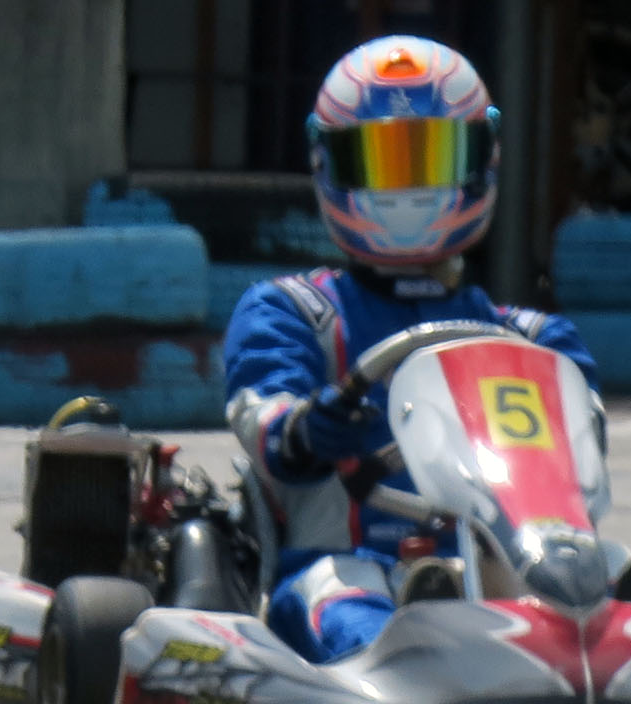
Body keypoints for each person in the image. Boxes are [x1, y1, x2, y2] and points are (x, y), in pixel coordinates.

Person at [218, 37, 594, 664]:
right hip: (348, 568)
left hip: (507, 572)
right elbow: (265, 419)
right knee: (348, 610)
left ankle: (579, 639)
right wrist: (310, 428)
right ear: (332, 166)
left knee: (608, 582)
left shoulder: (534, 340)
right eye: (383, 164)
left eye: (431, 161)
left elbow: (581, 460)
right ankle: (414, 651)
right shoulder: (292, 313)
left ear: (479, 160)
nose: (408, 189)